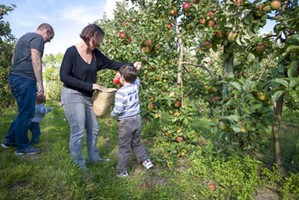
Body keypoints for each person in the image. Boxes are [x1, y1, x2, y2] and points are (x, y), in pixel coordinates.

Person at [60, 23, 141, 170]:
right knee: (78, 130)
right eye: (97, 41)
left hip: (86, 97)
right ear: (89, 36)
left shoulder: (95, 54)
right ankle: (79, 164)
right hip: (71, 94)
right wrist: (89, 86)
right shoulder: (71, 52)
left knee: (94, 129)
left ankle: (94, 158)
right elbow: (64, 76)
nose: (98, 45)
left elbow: (112, 63)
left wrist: (132, 65)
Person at [1, 23, 55, 156]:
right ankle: (22, 147)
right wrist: (41, 85)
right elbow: (36, 60)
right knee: (27, 114)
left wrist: (16, 73)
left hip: (15, 78)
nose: (48, 41)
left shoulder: (23, 38)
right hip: (25, 80)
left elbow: (14, 59)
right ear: (47, 31)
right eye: (49, 38)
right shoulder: (37, 39)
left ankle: (9, 140)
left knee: (23, 112)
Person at [111, 65, 153, 177]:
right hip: (137, 119)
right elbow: (136, 79)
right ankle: (145, 161)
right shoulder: (135, 86)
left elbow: (118, 109)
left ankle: (121, 171)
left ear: (122, 78)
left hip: (126, 122)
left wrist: (113, 114)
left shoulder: (120, 92)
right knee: (137, 142)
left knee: (124, 147)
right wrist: (135, 69)